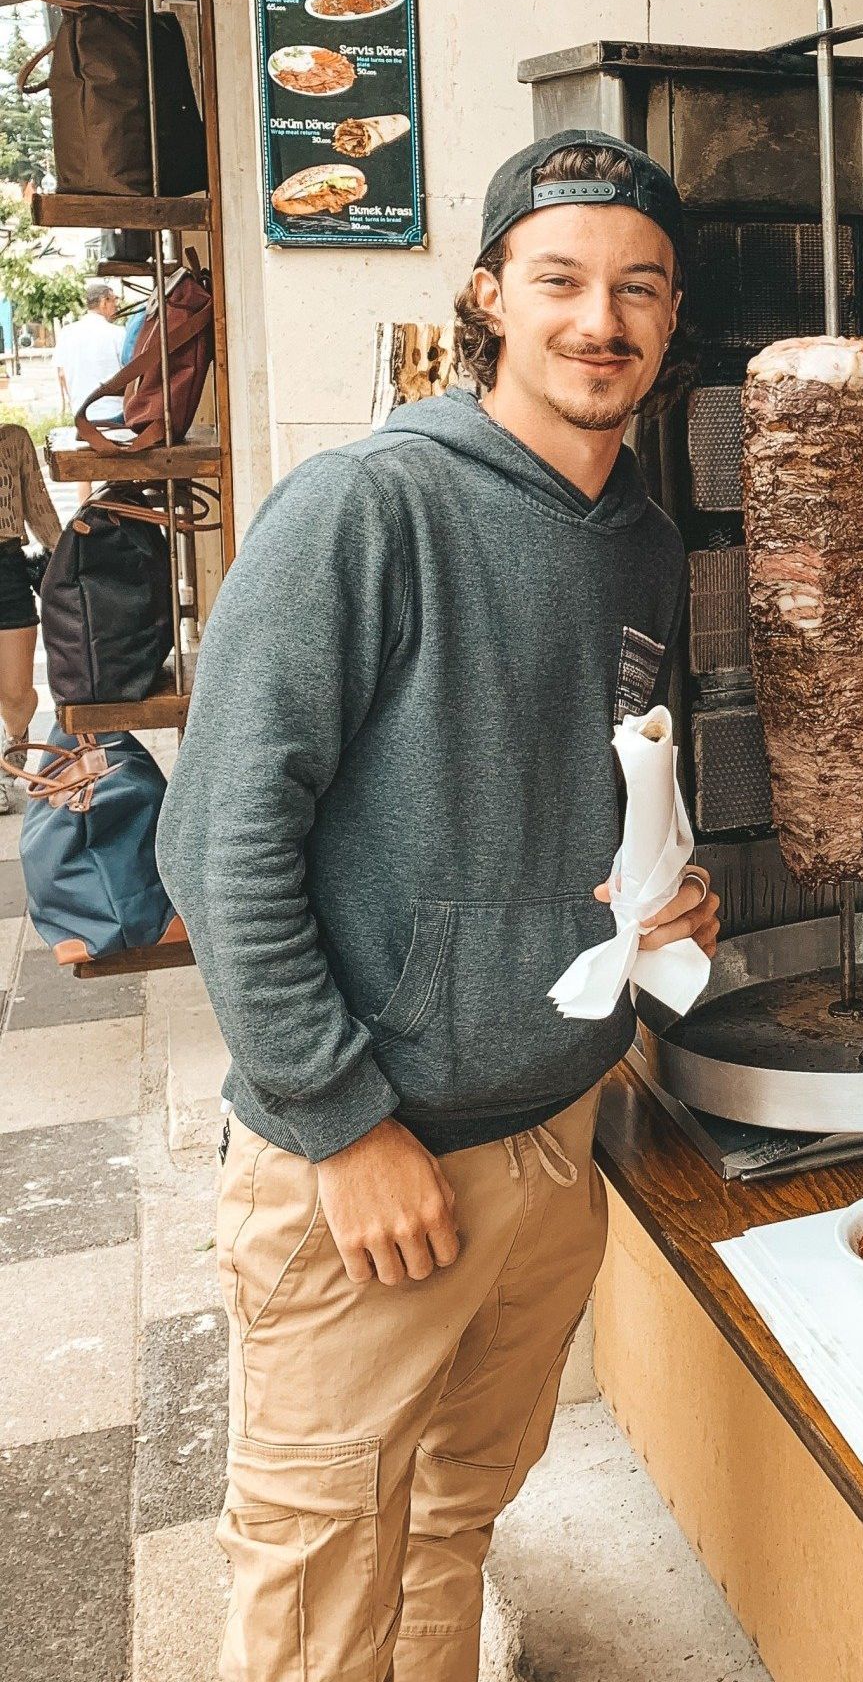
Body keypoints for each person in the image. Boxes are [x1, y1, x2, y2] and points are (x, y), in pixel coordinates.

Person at [157, 129, 719, 1681]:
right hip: (370, 1171)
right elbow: (215, 842)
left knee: (455, 1523)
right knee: (319, 1583)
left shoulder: (645, 548)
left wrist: (663, 894)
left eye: (638, 290)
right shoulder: (364, 506)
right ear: (490, 294)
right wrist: (341, 1123)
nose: (598, 320)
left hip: (547, 1147)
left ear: (671, 325)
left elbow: (609, 787)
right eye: (560, 280)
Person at [0, 422, 61, 808]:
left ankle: (14, 750)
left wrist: (68, 554)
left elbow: (38, 506)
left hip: (6, 571)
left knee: (15, 691)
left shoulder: (13, 440)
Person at [51, 277, 122, 412]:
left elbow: (61, 374)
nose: (116, 306)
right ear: (103, 302)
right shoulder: (118, 333)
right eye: (114, 300)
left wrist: (75, 403)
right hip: (114, 411)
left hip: (81, 413)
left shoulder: (67, 333)